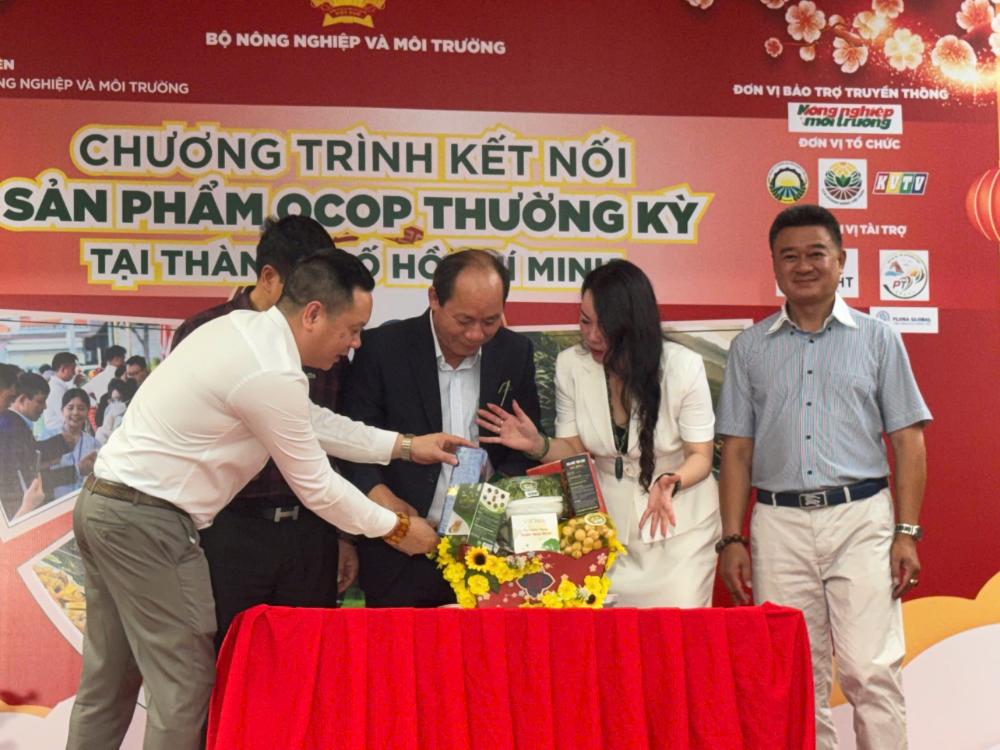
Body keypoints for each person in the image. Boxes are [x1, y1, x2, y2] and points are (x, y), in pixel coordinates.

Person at [67, 248, 468, 750]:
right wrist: (399, 529)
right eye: (351, 329)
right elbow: (317, 486)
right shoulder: (269, 371)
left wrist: (406, 446)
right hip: (150, 525)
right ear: (313, 314)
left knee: (109, 680)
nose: (355, 344)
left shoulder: (243, 332)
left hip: (105, 508)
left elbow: (314, 422)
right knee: (185, 686)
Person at [715, 204, 930, 750]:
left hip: (861, 519)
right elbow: (736, 451)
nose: (804, 266)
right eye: (789, 256)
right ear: (774, 265)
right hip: (778, 524)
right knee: (793, 677)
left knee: (870, 670)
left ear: (841, 260)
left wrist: (907, 532)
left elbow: (908, 440)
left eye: (816, 253)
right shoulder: (749, 349)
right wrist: (733, 537)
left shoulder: (879, 339)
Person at [478, 260, 720, 606]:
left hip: (678, 526)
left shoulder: (682, 366)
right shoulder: (571, 364)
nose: (591, 336)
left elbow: (700, 456)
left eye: (605, 327)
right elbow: (575, 450)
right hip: (604, 530)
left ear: (633, 325)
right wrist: (538, 444)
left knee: (675, 627)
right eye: (584, 321)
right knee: (608, 631)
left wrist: (672, 481)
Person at [170, 215, 363, 649]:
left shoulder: (326, 337)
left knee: (308, 661)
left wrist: (344, 537)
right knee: (224, 659)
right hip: (229, 530)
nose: (315, 301)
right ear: (269, 277)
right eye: (305, 285)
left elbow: (334, 435)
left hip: (310, 533)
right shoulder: (206, 332)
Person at [341, 248, 541, 607]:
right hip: (400, 548)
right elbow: (352, 444)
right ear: (434, 298)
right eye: (464, 320)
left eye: (490, 321)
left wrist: (492, 501)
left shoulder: (515, 353)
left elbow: (521, 452)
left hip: (486, 551)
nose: (476, 334)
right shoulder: (384, 349)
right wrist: (388, 509)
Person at [0, 373, 71, 521]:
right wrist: (63, 444)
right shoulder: (11, 427)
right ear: (22, 399)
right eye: (40, 401)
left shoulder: (14, 424)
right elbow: (29, 469)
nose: (45, 407)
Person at [51, 388, 99, 498]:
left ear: (88, 412)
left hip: (85, 500)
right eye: (70, 408)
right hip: (56, 503)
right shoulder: (49, 437)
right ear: (62, 410)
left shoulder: (93, 443)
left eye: (81, 408)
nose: (75, 412)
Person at [42, 352, 80, 435]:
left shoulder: (59, 386)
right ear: (63, 369)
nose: (74, 373)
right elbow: (66, 414)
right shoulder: (56, 388)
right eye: (72, 369)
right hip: (57, 432)